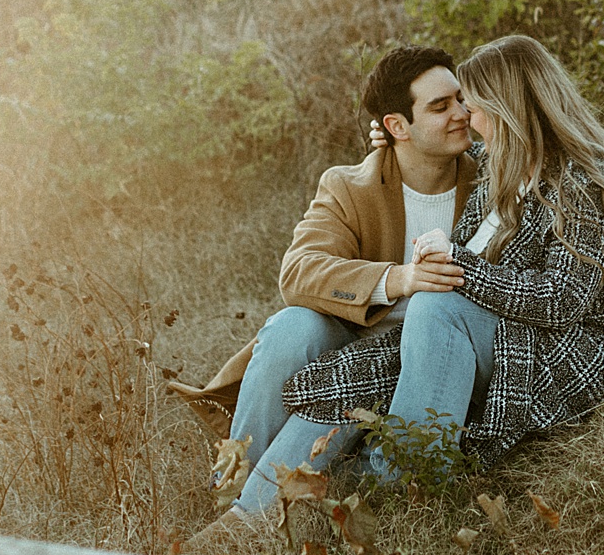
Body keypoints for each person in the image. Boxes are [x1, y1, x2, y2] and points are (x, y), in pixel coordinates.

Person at [280, 34, 604, 490]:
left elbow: (565, 299)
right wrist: (395, 135)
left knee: (434, 307)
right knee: (350, 377)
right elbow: (427, 149)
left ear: (507, 108)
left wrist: (459, 266)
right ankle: (245, 514)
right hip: (482, 333)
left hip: (559, 346)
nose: (464, 117)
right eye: (452, 105)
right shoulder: (500, 165)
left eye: (470, 104)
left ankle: (400, 478)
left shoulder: (579, 181)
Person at [168, 44, 480, 524]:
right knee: (292, 327)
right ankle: (231, 486)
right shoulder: (349, 185)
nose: (461, 113)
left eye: (460, 99)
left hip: (436, 346)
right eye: (440, 107)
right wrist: (398, 278)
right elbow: (299, 272)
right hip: (358, 331)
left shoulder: (491, 177)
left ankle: (259, 512)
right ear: (397, 126)